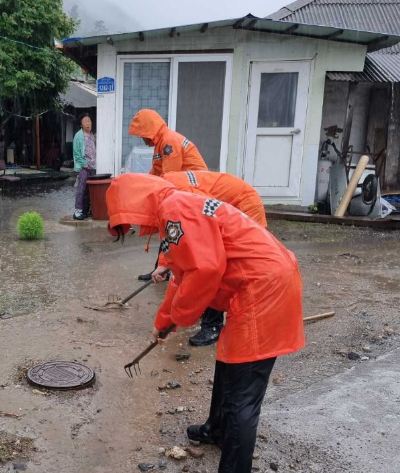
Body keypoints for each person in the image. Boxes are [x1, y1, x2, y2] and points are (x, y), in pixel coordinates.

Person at [106, 174, 304, 473]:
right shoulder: (176, 207)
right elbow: (182, 275)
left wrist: (182, 318)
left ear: (134, 203)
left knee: (243, 393)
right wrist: (164, 322)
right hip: (258, 283)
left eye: (128, 222)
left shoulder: (176, 210)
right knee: (229, 360)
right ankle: (217, 429)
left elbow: (205, 270)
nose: (132, 229)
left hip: (263, 287)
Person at [152, 170, 268, 347]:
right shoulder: (166, 190)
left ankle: (213, 326)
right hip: (227, 207)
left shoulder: (181, 195)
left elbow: (193, 245)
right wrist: (163, 264)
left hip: (244, 205)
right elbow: (174, 237)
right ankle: (204, 310)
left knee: (215, 267)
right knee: (203, 266)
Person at [129, 109, 207, 280]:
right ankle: (163, 269)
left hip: (195, 192)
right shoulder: (162, 143)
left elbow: (168, 180)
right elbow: (156, 173)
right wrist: (141, 190)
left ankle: (168, 269)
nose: (142, 139)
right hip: (188, 190)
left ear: (150, 130)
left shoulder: (169, 142)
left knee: (173, 227)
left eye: (142, 135)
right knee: (172, 228)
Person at [73, 114, 96, 220]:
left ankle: (85, 211)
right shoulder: (79, 136)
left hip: (93, 166)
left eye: (89, 121)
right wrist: (84, 164)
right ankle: (77, 212)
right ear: (81, 125)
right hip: (84, 166)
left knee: (89, 190)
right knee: (81, 189)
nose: (88, 123)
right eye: (85, 121)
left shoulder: (92, 135)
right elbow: (77, 153)